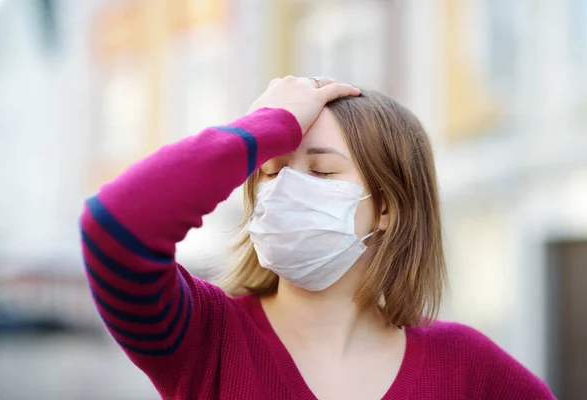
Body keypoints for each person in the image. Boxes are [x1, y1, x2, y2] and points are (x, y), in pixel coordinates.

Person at [80, 76, 555, 399]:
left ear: (387, 207)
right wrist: (267, 124)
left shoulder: (463, 366)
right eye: (270, 170)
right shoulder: (204, 337)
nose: (285, 188)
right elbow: (116, 224)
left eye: (321, 171)